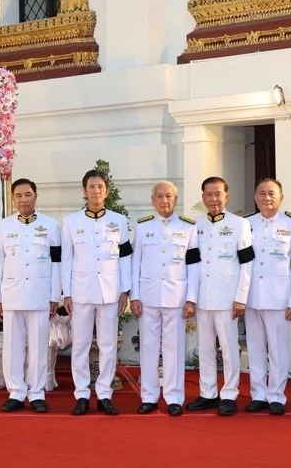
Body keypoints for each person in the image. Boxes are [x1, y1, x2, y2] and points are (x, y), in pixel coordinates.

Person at [61, 170, 131, 415]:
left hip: (110, 293)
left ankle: (104, 393)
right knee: (79, 345)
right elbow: (66, 260)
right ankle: (81, 394)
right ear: (84, 191)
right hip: (80, 293)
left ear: (107, 191)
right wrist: (66, 294)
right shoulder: (71, 222)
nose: (96, 191)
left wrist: (125, 291)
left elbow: (125, 258)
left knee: (108, 345)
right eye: (91, 187)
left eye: (100, 187)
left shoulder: (119, 221)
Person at [0, 178, 62, 413]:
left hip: (40, 293)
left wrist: (55, 296)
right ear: (13, 199)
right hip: (11, 294)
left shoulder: (51, 226)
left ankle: (37, 392)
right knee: (12, 346)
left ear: (36, 196)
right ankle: (16, 391)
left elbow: (57, 264)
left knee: (39, 345)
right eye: (19, 195)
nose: (23, 199)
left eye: (28, 194)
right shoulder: (4, 226)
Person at [130, 181, 199, 417]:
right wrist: (134, 296)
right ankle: (148, 397)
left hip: (176, 297)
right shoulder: (142, 228)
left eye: (168, 196)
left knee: (174, 349)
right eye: (159, 197)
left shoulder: (189, 228)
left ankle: (174, 397)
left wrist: (191, 298)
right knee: (148, 348)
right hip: (148, 297)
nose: (164, 201)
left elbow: (194, 266)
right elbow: (135, 264)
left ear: (176, 199)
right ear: (152, 200)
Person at [186, 176, 253, 416]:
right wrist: (191, 298)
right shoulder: (196, 225)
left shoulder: (239, 224)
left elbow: (247, 264)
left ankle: (229, 394)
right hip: (203, 297)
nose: (213, 199)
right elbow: (192, 265)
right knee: (204, 348)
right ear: (203, 197)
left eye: (218, 194)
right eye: (208, 195)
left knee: (228, 348)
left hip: (227, 298)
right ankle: (208, 392)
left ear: (227, 196)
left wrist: (241, 297)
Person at [244, 178, 291, 415]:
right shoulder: (246, 223)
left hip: (280, 298)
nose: (266, 198)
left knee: (278, 349)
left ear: (281, 197)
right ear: (255, 197)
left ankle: (276, 396)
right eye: (262, 193)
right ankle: (258, 394)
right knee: (255, 347)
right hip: (251, 297)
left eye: (272, 193)